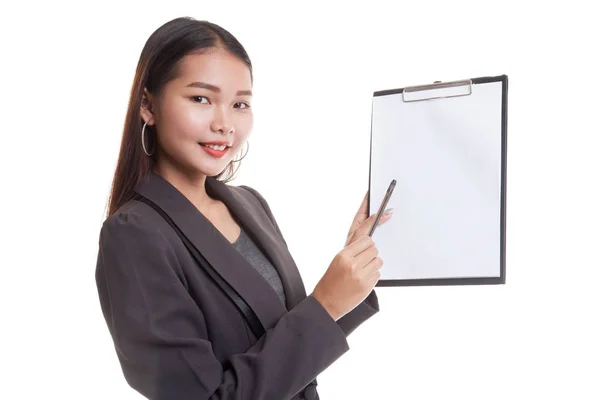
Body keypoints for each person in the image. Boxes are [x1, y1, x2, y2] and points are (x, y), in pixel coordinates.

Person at [95, 16, 393, 400]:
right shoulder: (134, 234)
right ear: (148, 106)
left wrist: (351, 268)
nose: (225, 123)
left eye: (240, 104)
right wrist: (325, 302)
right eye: (201, 98)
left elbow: (286, 341)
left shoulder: (249, 204)